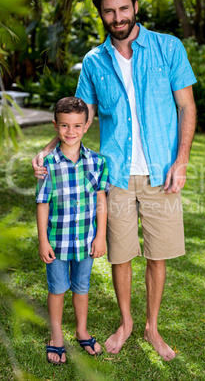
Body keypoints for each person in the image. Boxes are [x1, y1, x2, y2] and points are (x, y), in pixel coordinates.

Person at [32, 0, 197, 361]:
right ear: (102, 14)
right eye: (109, 11)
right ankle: (125, 323)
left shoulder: (168, 47)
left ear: (135, 6)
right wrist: (46, 150)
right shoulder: (93, 61)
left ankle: (152, 328)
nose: (117, 17)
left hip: (162, 170)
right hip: (115, 174)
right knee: (120, 255)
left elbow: (186, 107)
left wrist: (182, 160)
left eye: (123, 8)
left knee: (158, 254)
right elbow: (79, 116)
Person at [36, 97, 110, 364]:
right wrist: (43, 240)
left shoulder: (97, 163)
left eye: (77, 126)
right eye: (65, 126)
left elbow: (101, 201)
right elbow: (42, 203)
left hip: (86, 242)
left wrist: (100, 236)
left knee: (82, 287)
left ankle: (81, 330)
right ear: (56, 126)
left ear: (87, 126)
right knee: (57, 288)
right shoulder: (49, 165)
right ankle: (56, 336)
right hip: (57, 241)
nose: (71, 132)